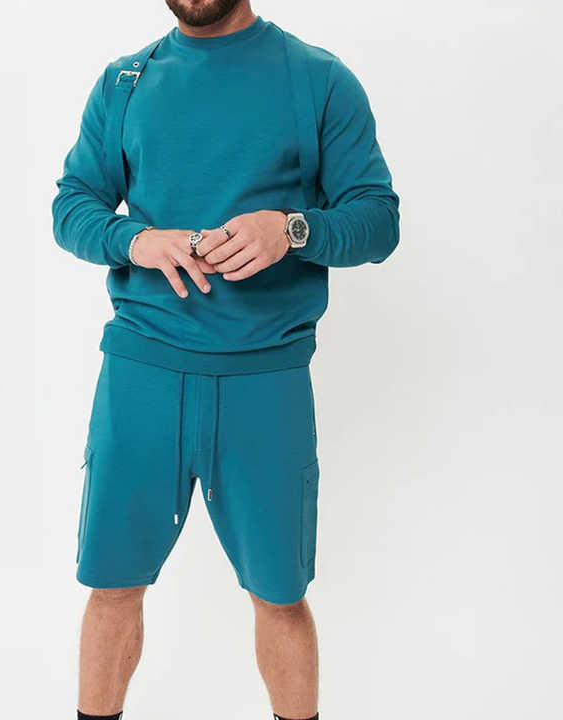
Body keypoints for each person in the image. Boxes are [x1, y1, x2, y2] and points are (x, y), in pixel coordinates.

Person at [52, 1, 399, 718]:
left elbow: (377, 219)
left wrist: (292, 228)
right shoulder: (125, 82)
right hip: (141, 373)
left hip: (265, 380)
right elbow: (73, 204)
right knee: (111, 586)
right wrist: (133, 241)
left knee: (280, 596)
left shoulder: (316, 79)